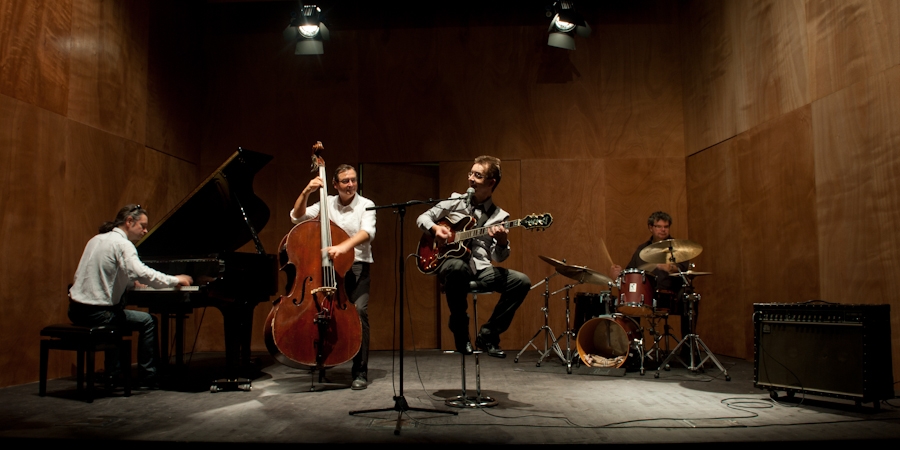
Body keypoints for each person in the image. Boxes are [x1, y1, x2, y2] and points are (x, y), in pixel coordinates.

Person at [417, 155, 531, 358]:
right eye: (471, 173)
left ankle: (488, 334)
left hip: (480, 268)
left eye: (477, 175)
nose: (470, 178)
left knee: (521, 282)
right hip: (451, 264)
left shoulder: (499, 216)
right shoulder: (455, 201)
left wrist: (502, 241)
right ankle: (460, 328)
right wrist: (435, 229)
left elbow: (498, 257)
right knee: (457, 268)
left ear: (491, 182)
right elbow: (423, 218)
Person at [68, 204, 193, 389]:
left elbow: (104, 273)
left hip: (76, 310)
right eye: (142, 225)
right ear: (129, 221)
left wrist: (129, 283)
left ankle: (114, 372)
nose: (145, 230)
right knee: (148, 321)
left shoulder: (96, 239)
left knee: (117, 313)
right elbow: (142, 272)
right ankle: (148, 377)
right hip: (98, 314)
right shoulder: (123, 244)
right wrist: (174, 279)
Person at [290, 164, 375, 390]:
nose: (351, 184)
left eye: (353, 180)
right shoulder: (326, 202)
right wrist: (306, 192)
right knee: (323, 312)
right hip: (329, 268)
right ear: (335, 184)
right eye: (345, 181)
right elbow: (297, 217)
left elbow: (367, 232)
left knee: (359, 312)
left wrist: (343, 246)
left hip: (357, 267)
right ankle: (321, 363)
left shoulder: (366, 204)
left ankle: (360, 372)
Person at [610, 211, 691, 351]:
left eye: (666, 226)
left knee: (689, 297)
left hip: (670, 294)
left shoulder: (677, 248)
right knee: (630, 299)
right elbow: (631, 272)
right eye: (659, 226)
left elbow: (684, 271)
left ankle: (688, 349)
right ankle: (635, 349)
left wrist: (670, 268)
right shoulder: (642, 249)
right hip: (647, 294)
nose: (663, 229)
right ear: (650, 228)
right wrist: (619, 274)